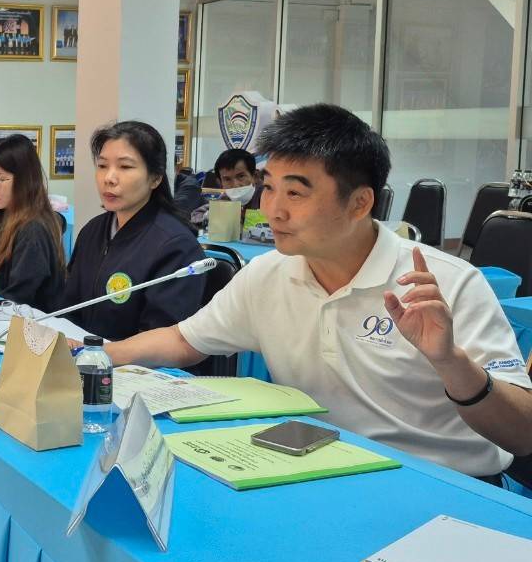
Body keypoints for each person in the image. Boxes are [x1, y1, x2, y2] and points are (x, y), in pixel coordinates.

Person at [106, 103, 531, 481]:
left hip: (444, 485)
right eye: (268, 187)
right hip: (320, 469)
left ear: (360, 204)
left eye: (295, 192)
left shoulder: (446, 283)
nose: (273, 208)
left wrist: (449, 361)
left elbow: (522, 435)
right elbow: (184, 341)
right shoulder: (268, 274)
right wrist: (95, 356)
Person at [59, 121, 205, 340]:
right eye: (102, 166)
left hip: (135, 369)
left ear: (155, 178)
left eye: (125, 167)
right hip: (83, 360)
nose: (109, 178)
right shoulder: (92, 231)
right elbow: (69, 309)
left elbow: (161, 340)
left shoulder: (176, 246)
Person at [0, 134, 65, 312]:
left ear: (25, 179)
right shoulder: (0, 217)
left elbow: (17, 299)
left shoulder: (33, 230)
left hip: (29, 328)